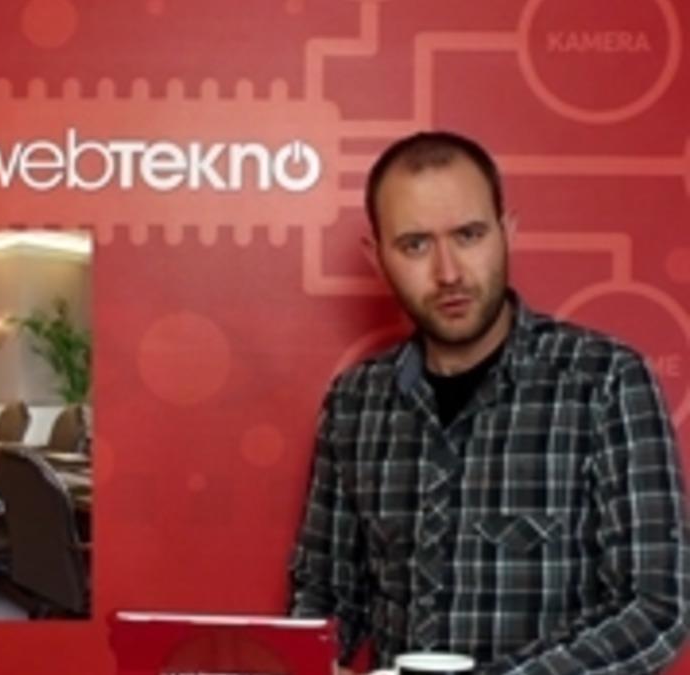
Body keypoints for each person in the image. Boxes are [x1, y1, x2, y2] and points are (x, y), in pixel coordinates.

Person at [289, 131, 690, 673]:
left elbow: (656, 609)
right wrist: (313, 660)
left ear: (507, 232)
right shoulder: (353, 404)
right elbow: (324, 597)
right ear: (377, 256)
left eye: (469, 235)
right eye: (415, 245)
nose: (449, 272)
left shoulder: (605, 382)